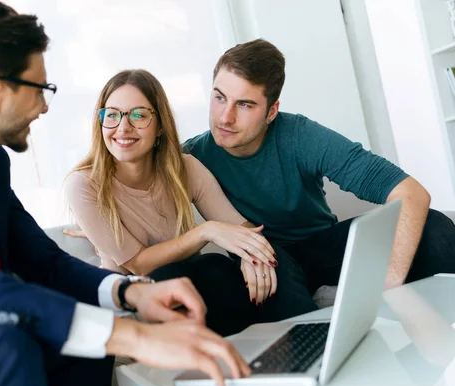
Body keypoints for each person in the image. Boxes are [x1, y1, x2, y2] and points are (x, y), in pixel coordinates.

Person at [0, 2, 252, 386]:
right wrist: (131, 337)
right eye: (41, 90)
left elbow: (44, 262)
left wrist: (129, 293)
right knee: (12, 349)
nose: (45, 107)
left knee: (88, 340)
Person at [183, 38, 455, 312]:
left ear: (271, 112)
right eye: (219, 97)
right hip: (265, 262)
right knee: (223, 269)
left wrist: (389, 284)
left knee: (436, 229)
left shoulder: (300, 135)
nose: (225, 117)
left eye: (244, 105)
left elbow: (410, 192)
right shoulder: (190, 157)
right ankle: (316, 349)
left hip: (323, 248)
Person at [64, 69, 316, 337]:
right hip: (141, 299)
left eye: (138, 115)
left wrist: (253, 253)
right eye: (112, 115)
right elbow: (139, 264)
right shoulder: (83, 184)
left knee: (226, 264)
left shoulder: (184, 168)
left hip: (200, 288)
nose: (123, 127)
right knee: (173, 274)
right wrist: (206, 231)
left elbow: (240, 227)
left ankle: (309, 340)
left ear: (160, 125)